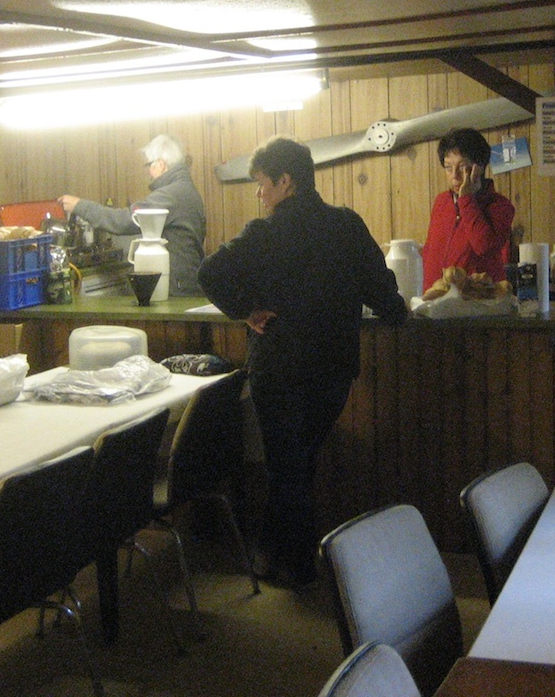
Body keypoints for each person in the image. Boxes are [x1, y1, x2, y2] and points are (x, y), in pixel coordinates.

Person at [198, 136, 407, 586]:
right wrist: (398, 313)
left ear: (285, 181)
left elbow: (208, 272)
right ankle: (284, 557)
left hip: (278, 369)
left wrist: (245, 309)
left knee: (286, 467)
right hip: (333, 370)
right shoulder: (346, 225)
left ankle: (291, 563)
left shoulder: (264, 233)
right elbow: (381, 289)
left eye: (262, 184)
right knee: (300, 463)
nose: (259, 194)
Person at [58, 134, 206, 296]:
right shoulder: (187, 190)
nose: (148, 172)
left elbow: (125, 220)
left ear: (161, 164)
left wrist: (80, 206)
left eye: (149, 165)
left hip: (176, 287)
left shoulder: (170, 195)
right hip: (186, 281)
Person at [421, 128, 515, 291]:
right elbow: (430, 252)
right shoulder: (441, 201)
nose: (454, 175)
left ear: (480, 167)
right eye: (448, 167)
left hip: (479, 299)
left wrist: (466, 199)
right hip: (438, 298)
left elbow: (484, 247)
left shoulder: (500, 205)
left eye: (463, 167)